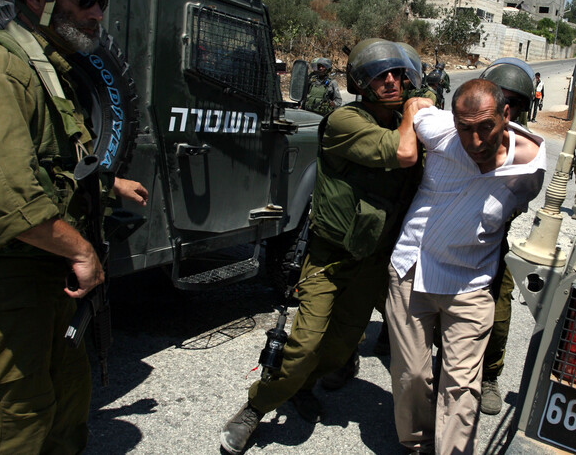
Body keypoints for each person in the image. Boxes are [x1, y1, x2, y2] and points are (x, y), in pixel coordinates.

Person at [0, 0, 148, 452]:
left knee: (67, 408)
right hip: (3, 286)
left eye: (102, 2)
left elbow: (53, 165)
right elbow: (6, 197)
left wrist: (108, 185)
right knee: (13, 425)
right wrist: (82, 251)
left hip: (45, 280)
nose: (96, 14)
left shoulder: (51, 70)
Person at [220, 39, 433, 455]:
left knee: (339, 348)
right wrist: (412, 111)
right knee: (302, 347)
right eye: (379, 75)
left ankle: (305, 385)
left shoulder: (404, 122)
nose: (392, 81)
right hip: (330, 258)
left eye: (397, 74)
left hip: (372, 261)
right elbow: (404, 154)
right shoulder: (344, 121)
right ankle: (254, 407)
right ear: (360, 83)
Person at [386, 79, 546, 454]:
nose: (474, 142)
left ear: (506, 115)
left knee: (461, 387)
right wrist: (407, 141)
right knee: (411, 376)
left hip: (471, 285)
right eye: (465, 129)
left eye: (485, 127)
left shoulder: (531, 164)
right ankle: (417, 445)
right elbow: (414, 106)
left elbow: (517, 207)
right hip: (413, 270)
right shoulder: (441, 129)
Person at [475, 59, 536, 416]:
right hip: (446, 241)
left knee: (497, 318)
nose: (507, 109)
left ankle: (489, 376)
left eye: (515, 102)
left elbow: (518, 203)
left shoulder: (523, 151)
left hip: (492, 246)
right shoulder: (463, 131)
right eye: (501, 99)